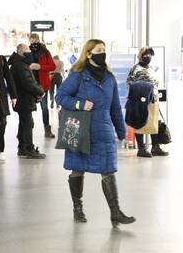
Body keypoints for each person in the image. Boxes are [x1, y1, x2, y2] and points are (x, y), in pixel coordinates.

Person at [55, 39, 136, 227]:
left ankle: (115, 212)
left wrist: (121, 131)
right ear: (89, 54)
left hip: (104, 130)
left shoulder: (109, 77)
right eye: (99, 50)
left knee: (108, 169)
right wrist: (80, 104)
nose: (103, 53)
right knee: (77, 169)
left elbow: (115, 106)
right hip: (81, 130)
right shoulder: (78, 75)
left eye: (104, 50)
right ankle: (78, 207)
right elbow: (60, 96)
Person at [126, 47, 169, 157]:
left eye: (150, 55)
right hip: (141, 102)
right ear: (141, 56)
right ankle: (141, 149)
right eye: (146, 55)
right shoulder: (135, 69)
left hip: (153, 100)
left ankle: (155, 147)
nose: (148, 57)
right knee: (140, 123)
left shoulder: (151, 69)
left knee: (154, 123)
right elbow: (129, 84)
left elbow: (155, 83)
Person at [8, 44, 46, 159]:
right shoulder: (21, 65)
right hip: (24, 99)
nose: (30, 52)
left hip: (22, 99)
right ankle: (29, 149)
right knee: (28, 123)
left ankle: (22, 148)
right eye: (27, 50)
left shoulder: (18, 64)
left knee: (24, 123)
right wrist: (40, 92)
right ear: (21, 52)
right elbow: (28, 83)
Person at [29, 33, 56, 138]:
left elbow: (52, 66)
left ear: (39, 40)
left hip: (42, 85)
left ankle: (47, 129)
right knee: (28, 109)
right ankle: (27, 131)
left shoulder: (45, 52)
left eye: (36, 40)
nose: (34, 42)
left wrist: (40, 66)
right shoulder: (27, 51)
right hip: (29, 84)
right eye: (32, 40)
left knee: (44, 108)